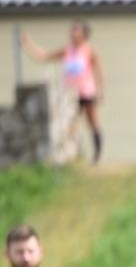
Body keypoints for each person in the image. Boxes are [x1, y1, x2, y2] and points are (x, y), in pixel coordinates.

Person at [21, 21, 104, 164]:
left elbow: (99, 72)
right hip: (70, 94)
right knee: (69, 126)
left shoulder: (89, 51)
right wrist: (28, 44)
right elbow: (44, 56)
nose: (72, 32)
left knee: (93, 122)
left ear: (84, 34)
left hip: (87, 92)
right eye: (72, 30)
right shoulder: (67, 51)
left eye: (76, 30)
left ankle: (97, 157)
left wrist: (100, 91)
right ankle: (70, 155)